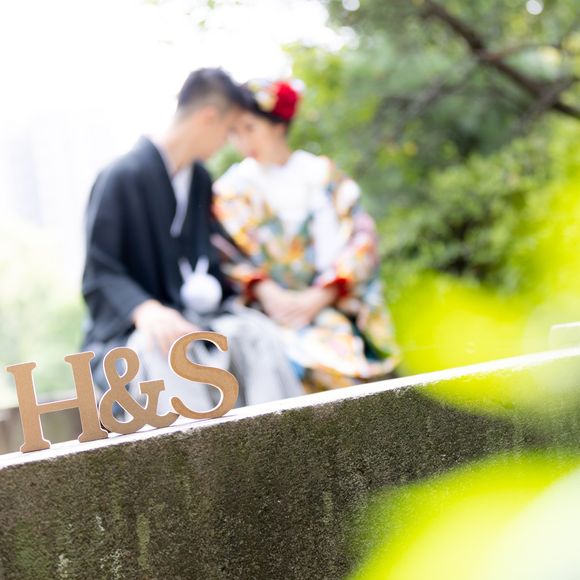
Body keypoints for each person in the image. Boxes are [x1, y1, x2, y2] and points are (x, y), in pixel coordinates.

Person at [82, 68, 303, 415]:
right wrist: (146, 310)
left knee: (256, 336)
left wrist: (261, 289)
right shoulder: (121, 176)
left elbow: (218, 251)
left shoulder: (199, 178)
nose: (229, 142)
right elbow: (100, 271)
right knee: (166, 349)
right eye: (228, 130)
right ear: (208, 118)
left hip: (196, 316)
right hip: (135, 330)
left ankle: (281, 437)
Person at [213, 79, 400, 391]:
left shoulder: (321, 173)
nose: (242, 141)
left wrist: (326, 292)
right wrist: (264, 290)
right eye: (233, 132)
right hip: (272, 311)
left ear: (278, 125)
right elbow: (225, 254)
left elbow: (361, 239)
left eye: (249, 128)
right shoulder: (230, 190)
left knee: (351, 373)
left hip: (330, 301)